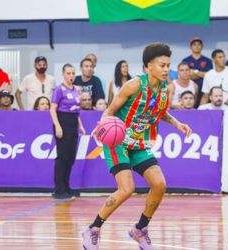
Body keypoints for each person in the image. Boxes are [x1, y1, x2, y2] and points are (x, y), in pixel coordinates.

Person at [82, 43, 192, 250]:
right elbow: (111, 109)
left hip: (139, 142)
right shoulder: (133, 85)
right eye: (162, 65)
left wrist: (178, 124)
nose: (166, 69)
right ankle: (93, 228)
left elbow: (161, 113)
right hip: (118, 141)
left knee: (159, 184)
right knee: (127, 189)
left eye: (168, 65)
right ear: (148, 66)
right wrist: (102, 124)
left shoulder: (165, 89)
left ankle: (139, 229)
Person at [50, 64, 86, 199]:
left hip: (73, 123)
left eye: (72, 73)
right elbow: (52, 109)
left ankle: (66, 186)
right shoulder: (59, 89)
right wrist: (57, 126)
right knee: (62, 157)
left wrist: (80, 126)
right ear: (63, 74)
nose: (71, 76)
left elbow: (76, 111)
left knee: (71, 157)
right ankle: (58, 189)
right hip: (62, 122)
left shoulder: (77, 90)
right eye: (68, 73)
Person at [182, 37, 213, 105]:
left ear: (202, 47)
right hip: (189, 91)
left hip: (204, 91)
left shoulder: (208, 60)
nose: (196, 46)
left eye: (198, 44)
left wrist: (195, 72)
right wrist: (202, 74)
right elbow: (185, 75)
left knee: (203, 111)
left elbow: (209, 75)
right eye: (194, 44)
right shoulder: (185, 60)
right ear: (191, 47)